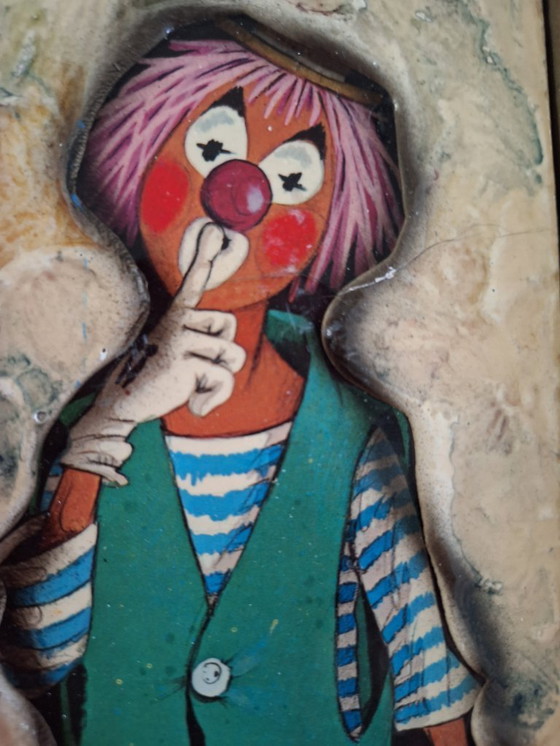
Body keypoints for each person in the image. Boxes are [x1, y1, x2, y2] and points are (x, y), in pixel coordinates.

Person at [0, 19, 479, 745]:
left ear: (329, 226)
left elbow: (428, 670)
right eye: (212, 151)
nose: (238, 195)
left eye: (290, 182)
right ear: (141, 158)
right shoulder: (77, 421)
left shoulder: (351, 436)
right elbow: (35, 661)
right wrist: (108, 430)